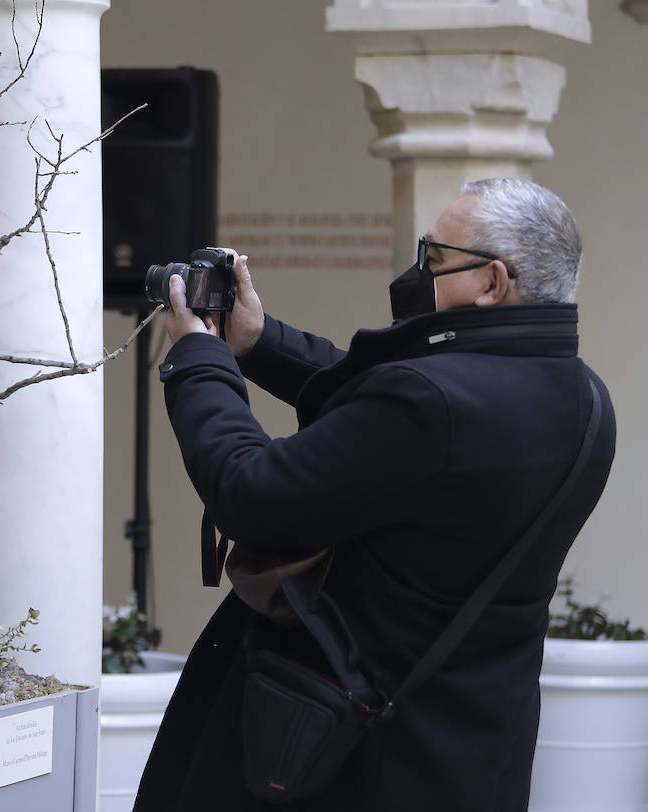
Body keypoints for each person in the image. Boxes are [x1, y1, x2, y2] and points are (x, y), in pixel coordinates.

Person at [134, 179, 616, 812]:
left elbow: (249, 493)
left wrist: (199, 359)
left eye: (436, 262)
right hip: (475, 745)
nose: (417, 274)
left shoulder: (432, 404)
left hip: (353, 750)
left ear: (493, 282)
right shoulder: (586, 400)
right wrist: (258, 342)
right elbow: (384, 426)